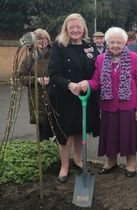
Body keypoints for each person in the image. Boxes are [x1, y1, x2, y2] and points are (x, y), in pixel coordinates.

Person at [79, 27, 137, 178]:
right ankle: (111, 161)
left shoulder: (133, 57)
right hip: (109, 105)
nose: (115, 45)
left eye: (119, 42)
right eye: (112, 42)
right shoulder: (101, 59)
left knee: (129, 135)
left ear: (125, 43)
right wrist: (87, 83)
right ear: (107, 43)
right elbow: (97, 81)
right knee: (110, 135)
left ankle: (131, 163)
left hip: (129, 105)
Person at [47, 13, 100, 183]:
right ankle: (64, 166)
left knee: (80, 130)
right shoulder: (58, 46)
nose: (75, 30)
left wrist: (88, 83)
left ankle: (77, 160)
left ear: (83, 28)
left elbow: (97, 70)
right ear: (66, 29)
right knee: (65, 133)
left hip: (85, 96)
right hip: (65, 96)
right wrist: (70, 85)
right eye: (72, 27)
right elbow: (54, 74)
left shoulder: (90, 46)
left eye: (78, 27)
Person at [17, 28, 53, 141]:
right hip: (37, 96)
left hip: (53, 94)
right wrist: (35, 80)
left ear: (48, 41)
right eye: (38, 40)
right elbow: (21, 76)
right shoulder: (28, 59)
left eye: (44, 39)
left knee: (55, 124)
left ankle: (57, 153)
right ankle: (43, 151)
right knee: (42, 125)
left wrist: (52, 79)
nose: (42, 42)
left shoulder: (54, 56)